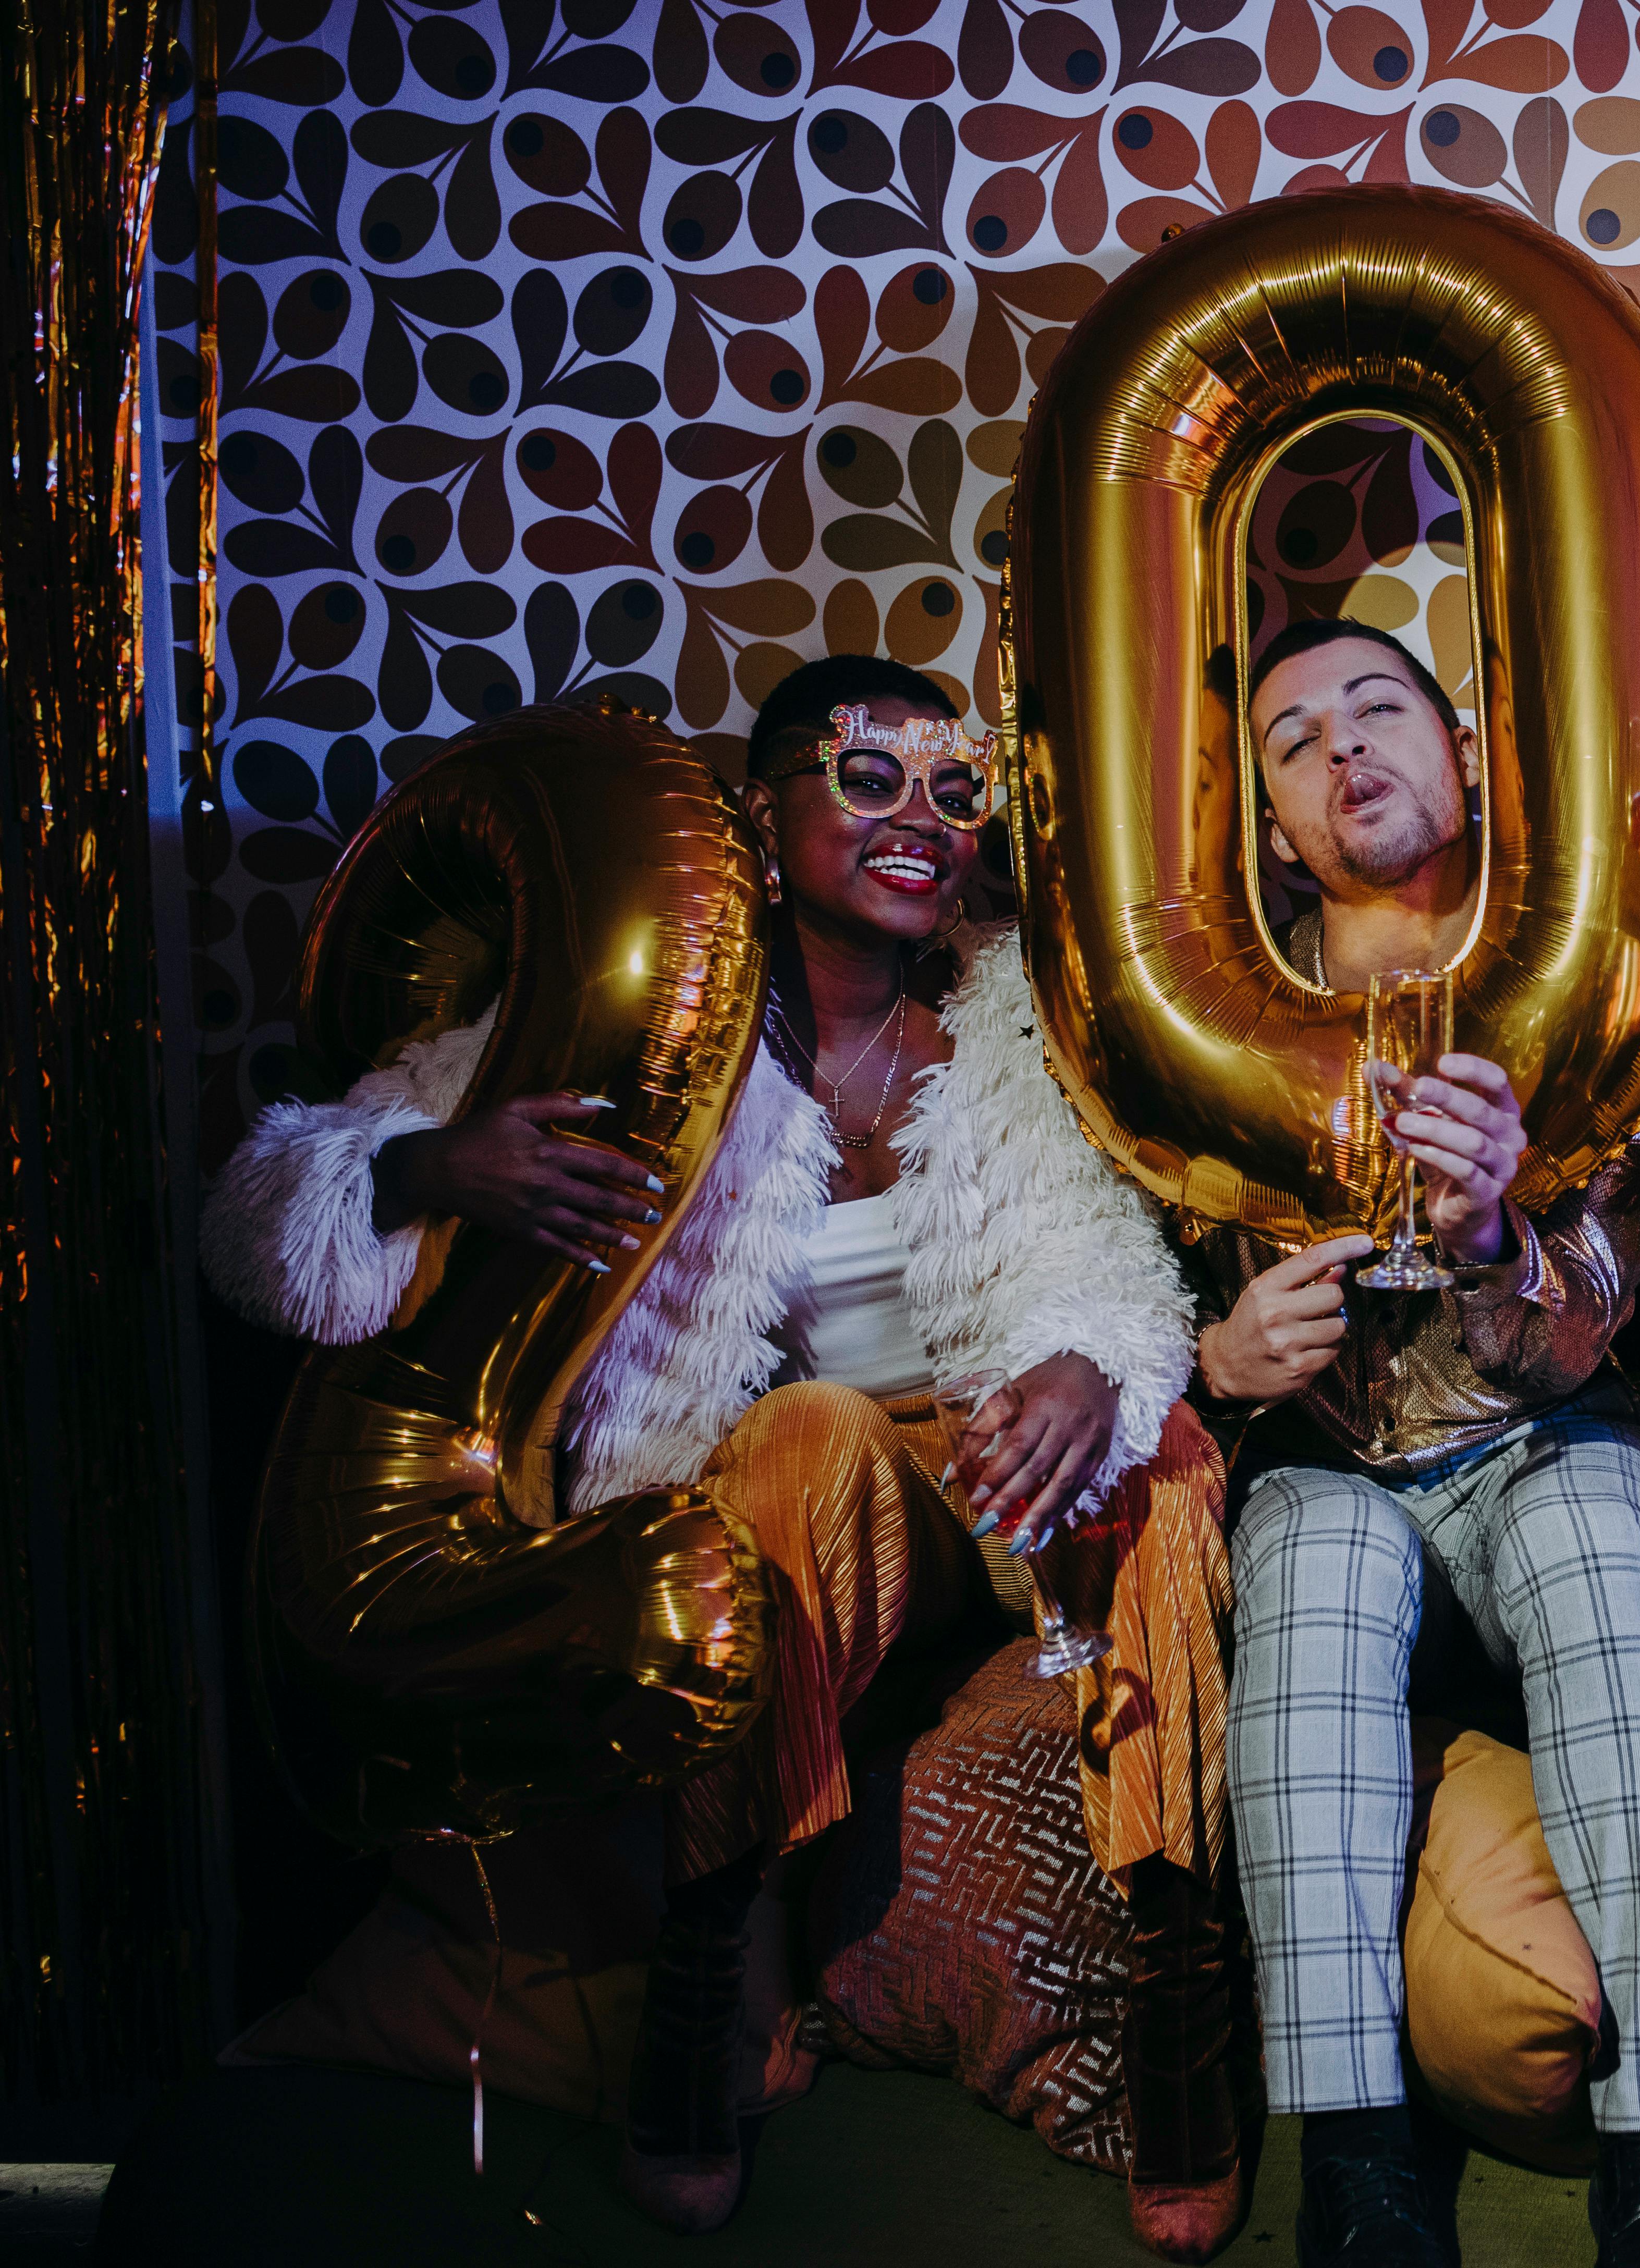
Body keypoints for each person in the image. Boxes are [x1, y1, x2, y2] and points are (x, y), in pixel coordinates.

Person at [203, 658, 1249, 2258]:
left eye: (953, 789)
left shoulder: (1022, 1012)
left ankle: (1175, 1967)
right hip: (794, 1514)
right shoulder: (632, 1009)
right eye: (867, 777)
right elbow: (254, 1226)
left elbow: (1111, 1265)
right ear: (759, 816)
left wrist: (1087, 1367)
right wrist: (428, 1164)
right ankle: (708, 1967)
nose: (920, 820)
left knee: (1168, 1450)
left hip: (990, 1490)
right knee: (806, 1430)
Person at [1191, 618, 1640, 2267]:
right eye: (1292, 743)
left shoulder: (1577, 965)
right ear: (1275, 825)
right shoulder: (1208, 1007)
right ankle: (1349, 2169)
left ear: (1467, 750)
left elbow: (1601, 1318)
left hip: (1544, 1432)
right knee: (1318, 1581)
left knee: (1595, 1553)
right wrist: (1220, 1359)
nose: (1341, 749)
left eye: (1375, 710)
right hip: (1330, 1465)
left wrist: (1497, 1232)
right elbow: (1108, 1294)